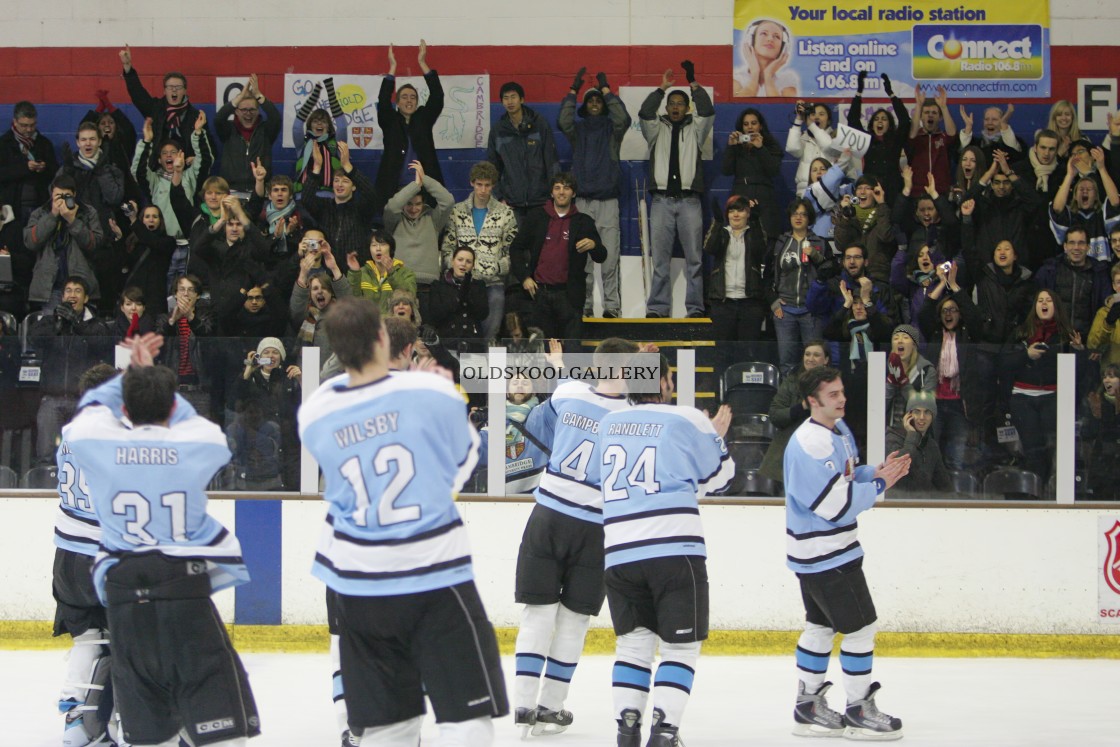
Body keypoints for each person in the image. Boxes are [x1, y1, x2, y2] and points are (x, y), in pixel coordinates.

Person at [298, 296, 508, 746]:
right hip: (434, 574)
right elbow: (464, 460)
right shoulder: (429, 393)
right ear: (381, 338)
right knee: (465, 714)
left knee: (386, 725)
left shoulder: (315, 410)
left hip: (360, 584)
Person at [64, 333, 259, 747]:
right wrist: (159, 387)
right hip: (182, 590)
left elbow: (85, 417)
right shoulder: (194, 443)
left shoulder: (97, 444)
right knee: (220, 729)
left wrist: (128, 382)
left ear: (124, 407)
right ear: (173, 405)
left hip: (124, 597)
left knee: (149, 735)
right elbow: (208, 432)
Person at [600, 354, 734, 747]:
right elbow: (722, 478)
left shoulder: (609, 423)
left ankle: (627, 729)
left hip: (619, 550)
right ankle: (664, 731)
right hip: (674, 548)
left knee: (634, 644)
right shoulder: (688, 417)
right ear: (663, 384)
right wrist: (716, 438)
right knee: (680, 646)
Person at [511, 338, 637, 736]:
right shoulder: (635, 417)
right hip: (596, 525)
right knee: (574, 618)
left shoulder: (567, 392)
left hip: (549, 514)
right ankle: (552, 705)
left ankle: (523, 703)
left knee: (538, 612)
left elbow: (536, 429)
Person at [783, 365, 910, 739]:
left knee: (820, 626)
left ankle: (807, 707)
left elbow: (846, 476)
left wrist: (875, 472)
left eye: (841, 391)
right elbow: (835, 505)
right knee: (860, 630)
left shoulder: (836, 430)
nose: (842, 399)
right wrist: (884, 482)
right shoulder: (810, 442)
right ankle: (858, 710)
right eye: (833, 394)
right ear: (812, 401)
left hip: (822, 553)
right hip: (827, 555)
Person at [49, 362, 118, 747]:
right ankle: (122, 722)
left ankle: (75, 721)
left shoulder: (70, 431)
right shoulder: (115, 435)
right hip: (100, 556)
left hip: (66, 556)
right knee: (124, 641)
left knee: (87, 639)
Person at [639, 61, 715, 319]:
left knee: (695, 260)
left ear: (687, 107)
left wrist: (692, 82)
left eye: (680, 103)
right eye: (672, 103)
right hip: (660, 202)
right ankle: (658, 309)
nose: (675, 107)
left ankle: (695, 309)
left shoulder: (697, 128)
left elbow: (707, 109)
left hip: (689, 202)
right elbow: (644, 112)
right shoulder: (655, 128)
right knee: (660, 260)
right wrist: (662, 88)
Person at [558, 68, 632, 318]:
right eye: (590, 101)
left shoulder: (614, 131)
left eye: (598, 101)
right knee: (583, 259)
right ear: (584, 105)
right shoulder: (577, 131)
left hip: (608, 200)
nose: (594, 104)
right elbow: (563, 121)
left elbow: (624, 118)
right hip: (582, 203)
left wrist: (606, 89)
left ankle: (612, 307)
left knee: (609, 258)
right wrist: (573, 90)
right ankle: (586, 305)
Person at [510, 172, 605, 341]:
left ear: (573, 193)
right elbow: (516, 248)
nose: (562, 192)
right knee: (543, 353)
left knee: (572, 352)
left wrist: (594, 244)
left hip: (570, 296)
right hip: (539, 295)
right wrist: (524, 277)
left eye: (566, 188)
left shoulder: (584, 222)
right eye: (557, 188)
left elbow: (601, 256)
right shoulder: (536, 217)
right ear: (551, 192)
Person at [1005, 289, 1084, 486]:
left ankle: (1053, 492)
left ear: (1056, 306)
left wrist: (1079, 351)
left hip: (1053, 396)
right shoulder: (1022, 332)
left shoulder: (1068, 334)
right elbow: (1003, 363)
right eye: (1040, 300)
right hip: (1023, 397)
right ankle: (1036, 496)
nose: (1044, 303)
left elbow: (1083, 374)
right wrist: (1026, 355)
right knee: (1033, 450)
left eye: (1048, 300)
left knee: (1053, 448)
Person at [442, 162, 518, 341]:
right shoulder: (457, 211)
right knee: (461, 332)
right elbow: (448, 247)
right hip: (461, 282)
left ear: (493, 185)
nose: (483, 190)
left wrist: (496, 269)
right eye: (479, 184)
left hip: (492, 283)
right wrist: (454, 268)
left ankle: (486, 364)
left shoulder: (505, 213)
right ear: (471, 183)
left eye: (487, 185)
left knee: (490, 333)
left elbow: (512, 250)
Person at [375, 40, 445, 214]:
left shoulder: (423, 119)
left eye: (413, 97)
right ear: (397, 103)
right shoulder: (390, 121)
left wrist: (422, 63)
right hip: (394, 190)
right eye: (404, 97)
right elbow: (383, 101)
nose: (409, 100)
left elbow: (437, 96)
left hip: (425, 191)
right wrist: (392, 68)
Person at [766, 198, 830, 375]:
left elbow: (831, 271)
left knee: (815, 363)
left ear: (810, 218)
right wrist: (773, 301)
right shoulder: (780, 243)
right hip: (785, 310)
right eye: (795, 214)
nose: (799, 217)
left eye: (803, 214)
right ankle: (788, 401)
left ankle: (815, 400)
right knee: (787, 362)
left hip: (811, 310)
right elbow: (767, 275)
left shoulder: (820, 243)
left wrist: (816, 256)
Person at [119, 45, 212, 167]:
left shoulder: (196, 116)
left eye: (178, 87)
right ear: (164, 91)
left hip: (187, 172)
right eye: (170, 87)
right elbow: (138, 95)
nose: (174, 91)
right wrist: (128, 68)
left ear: (184, 91)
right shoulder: (155, 108)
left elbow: (210, 149)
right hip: (158, 172)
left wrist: (196, 159)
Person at [382, 160, 454, 313]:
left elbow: (448, 201)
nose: (414, 209)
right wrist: (415, 185)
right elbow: (392, 206)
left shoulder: (434, 220)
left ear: (424, 204)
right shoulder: (394, 220)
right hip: (401, 284)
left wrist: (424, 179)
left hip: (429, 285)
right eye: (409, 204)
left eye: (418, 204)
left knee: (427, 331)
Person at [24, 174, 104, 311]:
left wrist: (73, 221)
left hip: (80, 286)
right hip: (50, 288)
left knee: (83, 329)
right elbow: (31, 242)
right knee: (51, 329)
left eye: (66, 196)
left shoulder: (88, 212)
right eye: (58, 196)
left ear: (74, 194)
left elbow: (95, 244)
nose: (62, 201)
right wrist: (52, 216)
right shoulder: (40, 213)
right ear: (51, 195)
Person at [759, 340, 831, 488]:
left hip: (821, 454)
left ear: (826, 360)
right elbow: (775, 415)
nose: (810, 359)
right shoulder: (791, 382)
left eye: (816, 355)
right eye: (807, 354)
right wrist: (802, 406)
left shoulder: (834, 385)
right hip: (789, 452)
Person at [703, 195, 769, 349]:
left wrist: (756, 221)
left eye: (740, 210)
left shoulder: (753, 233)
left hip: (750, 303)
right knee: (722, 352)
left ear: (748, 213)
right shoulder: (723, 232)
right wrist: (718, 222)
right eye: (731, 211)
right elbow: (709, 248)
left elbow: (761, 249)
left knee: (748, 352)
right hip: (723, 303)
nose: (736, 214)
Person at [487, 81, 559, 223]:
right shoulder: (498, 131)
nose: (510, 101)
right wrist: (500, 197)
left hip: (541, 201)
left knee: (540, 244)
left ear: (522, 99)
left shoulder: (539, 124)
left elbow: (552, 162)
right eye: (506, 98)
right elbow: (492, 167)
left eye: (513, 97)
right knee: (515, 244)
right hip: (511, 203)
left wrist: (553, 195)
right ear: (502, 102)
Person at [721, 107, 784, 241]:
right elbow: (726, 170)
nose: (750, 127)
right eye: (746, 124)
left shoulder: (770, 145)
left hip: (764, 198)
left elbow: (774, 170)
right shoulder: (736, 146)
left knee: (767, 239)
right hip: (741, 194)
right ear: (741, 128)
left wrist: (761, 148)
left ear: (760, 126)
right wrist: (731, 147)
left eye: (754, 123)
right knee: (741, 239)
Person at [846, 72, 910, 201]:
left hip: (893, 188)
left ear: (889, 124)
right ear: (872, 124)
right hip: (871, 188)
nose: (880, 121)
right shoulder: (866, 139)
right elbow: (852, 120)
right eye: (876, 119)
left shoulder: (895, 140)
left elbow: (905, 121)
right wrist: (859, 92)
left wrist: (891, 94)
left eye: (884, 119)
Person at [214, 74, 282, 194]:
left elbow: (275, 117)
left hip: (259, 190)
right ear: (236, 111)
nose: (248, 114)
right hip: (231, 190)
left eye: (252, 109)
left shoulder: (266, 131)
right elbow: (218, 119)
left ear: (258, 110)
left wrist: (258, 95)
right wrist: (239, 98)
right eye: (243, 110)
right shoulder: (228, 130)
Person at [885, 390, 954, 496]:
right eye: (917, 411)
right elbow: (898, 466)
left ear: (933, 417)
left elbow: (945, 486)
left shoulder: (931, 445)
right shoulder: (892, 438)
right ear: (908, 415)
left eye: (927, 412)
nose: (922, 417)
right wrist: (912, 435)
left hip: (923, 506)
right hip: (897, 506)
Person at [346, 229, 418, 314]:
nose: (378, 249)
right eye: (374, 245)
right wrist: (354, 272)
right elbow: (352, 301)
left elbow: (409, 298)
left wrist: (392, 273)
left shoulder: (406, 273)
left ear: (391, 248)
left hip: (393, 324)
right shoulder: (362, 272)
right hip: (367, 323)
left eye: (383, 244)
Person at [426, 246, 488, 340]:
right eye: (460, 259)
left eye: (468, 261)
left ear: (473, 265)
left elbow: (483, 314)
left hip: (472, 340)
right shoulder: (438, 286)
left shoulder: (479, 285)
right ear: (452, 261)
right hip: (447, 340)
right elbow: (436, 314)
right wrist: (458, 298)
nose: (463, 264)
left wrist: (468, 294)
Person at [907, 85, 957, 195]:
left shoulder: (943, 136)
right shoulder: (916, 136)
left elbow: (952, 134)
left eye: (934, 113)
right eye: (926, 112)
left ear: (940, 117)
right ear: (921, 117)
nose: (930, 115)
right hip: (918, 191)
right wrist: (919, 105)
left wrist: (943, 107)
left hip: (941, 191)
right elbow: (912, 134)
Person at [1081, 363, 1120, 500]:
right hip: (1103, 461)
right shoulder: (1096, 402)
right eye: (1104, 377)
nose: (1106, 380)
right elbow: (1087, 433)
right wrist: (1096, 414)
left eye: (1112, 376)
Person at [734, 18, 796, 97]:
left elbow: (781, 107)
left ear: (783, 48)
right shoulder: (736, 77)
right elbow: (740, 105)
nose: (770, 39)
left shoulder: (788, 79)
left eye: (777, 36)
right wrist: (755, 73)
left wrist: (768, 75)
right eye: (764, 33)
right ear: (751, 40)